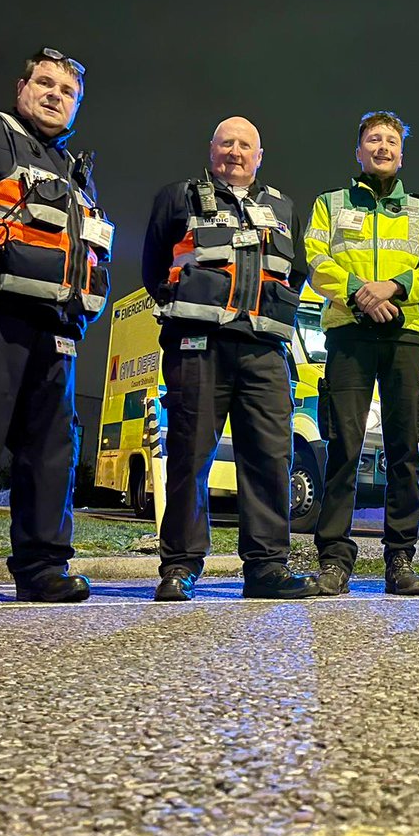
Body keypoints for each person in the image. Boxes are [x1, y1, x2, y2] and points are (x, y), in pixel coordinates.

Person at [0, 48, 111, 608]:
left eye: (67, 92)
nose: (54, 96)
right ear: (21, 87)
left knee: (52, 450)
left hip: (56, 329)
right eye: (45, 83)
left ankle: (42, 567)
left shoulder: (77, 171)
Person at [142, 116, 317, 602]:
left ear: (259, 156)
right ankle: (179, 566)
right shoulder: (178, 197)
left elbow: (294, 273)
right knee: (190, 458)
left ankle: (266, 569)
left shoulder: (283, 207)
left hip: (264, 351)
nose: (235, 152)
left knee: (269, 460)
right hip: (200, 347)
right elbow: (154, 265)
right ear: (212, 149)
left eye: (245, 145)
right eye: (226, 143)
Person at [304, 110, 419, 596]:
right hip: (349, 332)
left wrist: (392, 287)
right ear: (359, 150)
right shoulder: (329, 203)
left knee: (403, 451)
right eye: (374, 139)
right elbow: (314, 259)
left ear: (401, 153)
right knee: (343, 449)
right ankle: (334, 560)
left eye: (391, 141)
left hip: (405, 335)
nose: (383, 148)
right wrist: (359, 294)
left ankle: (400, 559)